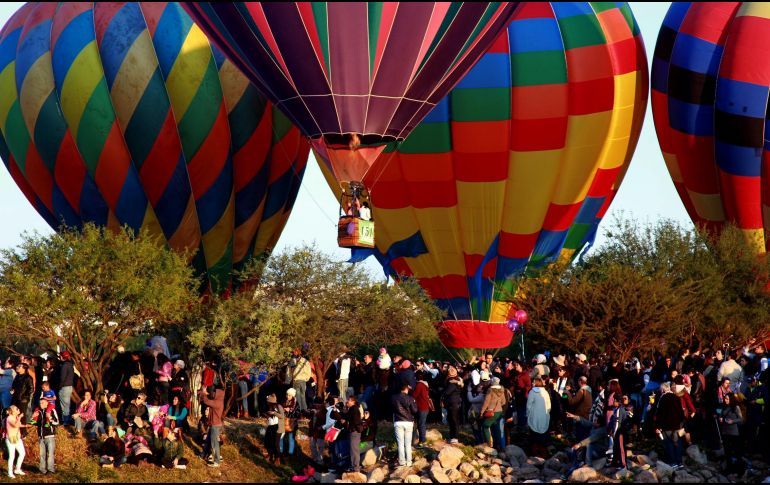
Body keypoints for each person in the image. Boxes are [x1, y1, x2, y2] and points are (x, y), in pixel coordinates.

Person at [655, 382, 686, 468]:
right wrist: (681, 423)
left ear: (662, 390)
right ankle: (679, 462)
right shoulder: (676, 397)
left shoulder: (663, 399)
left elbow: (659, 414)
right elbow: (681, 412)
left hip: (667, 426)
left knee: (669, 443)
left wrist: (658, 426)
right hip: (677, 425)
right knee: (677, 443)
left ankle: (672, 462)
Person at [391, 383, 417, 468]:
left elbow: (391, 409)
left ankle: (402, 462)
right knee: (408, 443)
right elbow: (415, 410)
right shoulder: (410, 398)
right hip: (408, 422)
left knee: (400, 443)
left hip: (398, 421)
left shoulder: (393, 398)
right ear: (406, 389)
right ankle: (409, 462)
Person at [30, 397, 59, 474]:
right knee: (42, 454)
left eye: (42, 403)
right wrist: (32, 417)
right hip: (41, 436)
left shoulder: (52, 410)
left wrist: (50, 417)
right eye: (40, 403)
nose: (41, 404)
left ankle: (50, 470)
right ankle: (42, 470)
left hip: (49, 436)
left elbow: (57, 422)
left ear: (47, 403)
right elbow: (32, 423)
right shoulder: (38, 411)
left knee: (50, 454)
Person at [527, 376, 551, 457]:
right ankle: (543, 455)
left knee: (534, 437)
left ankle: (534, 455)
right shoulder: (546, 392)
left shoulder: (532, 392)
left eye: (533, 382)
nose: (532, 383)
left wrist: (528, 415)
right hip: (544, 416)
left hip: (534, 416)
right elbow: (549, 406)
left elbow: (528, 406)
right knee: (542, 437)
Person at [200, 385, 224, 467]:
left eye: (213, 393)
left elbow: (206, 401)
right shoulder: (218, 399)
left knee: (214, 444)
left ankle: (216, 462)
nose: (212, 394)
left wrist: (204, 393)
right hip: (213, 425)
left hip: (215, 426)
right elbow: (209, 398)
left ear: (216, 394)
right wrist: (206, 393)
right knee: (207, 442)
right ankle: (203, 455)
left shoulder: (218, 402)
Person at [719, 393, 743, 473]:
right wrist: (720, 418)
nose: (726, 400)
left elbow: (740, 419)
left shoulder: (736, 407)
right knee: (727, 451)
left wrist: (732, 421)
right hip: (725, 432)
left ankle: (739, 469)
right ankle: (729, 468)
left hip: (734, 433)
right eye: (725, 399)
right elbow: (721, 415)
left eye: (727, 399)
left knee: (736, 451)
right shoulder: (724, 407)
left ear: (731, 399)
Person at [480, 377, 506, 449]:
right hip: (499, 412)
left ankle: (489, 443)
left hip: (491, 412)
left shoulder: (490, 390)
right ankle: (499, 446)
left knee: (485, 426)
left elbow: (486, 402)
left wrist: (482, 412)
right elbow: (503, 402)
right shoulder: (502, 390)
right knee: (497, 429)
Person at [442, 366, 464, 444]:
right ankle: (452, 436)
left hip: (454, 402)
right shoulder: (450, 379)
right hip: (451, 402)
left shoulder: (453, 380)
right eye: (449, 369)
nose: (450, 370)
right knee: (451, 419)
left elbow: (448, 391)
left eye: (453, 369)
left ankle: (455, 437)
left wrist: (442, 393)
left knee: (454, 420)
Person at [4, 405, 26, 478]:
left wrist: (26, 426)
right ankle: (10, 473)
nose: (18, 409)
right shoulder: (9, 418)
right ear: (13, 411)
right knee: (12, 456)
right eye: (17, 409)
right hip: (10, 439)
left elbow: (19, 425)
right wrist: (20, 417)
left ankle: (17, 469)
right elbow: (15, 425)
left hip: (17, 438)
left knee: (22, 453)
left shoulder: (15, 417)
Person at [413, 371, 431, 446]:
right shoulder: (425, 384)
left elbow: (414, 395)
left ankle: (422, 441)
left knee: (421, 424)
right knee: (422, 423)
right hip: (425, 407)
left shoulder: (419, 385)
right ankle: (422, 439)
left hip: (421, 407)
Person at [265, 394, 283, 465]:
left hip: (277, 427)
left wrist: (274, 413)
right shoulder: (269, 406)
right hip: (270, 426)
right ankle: (270, 455)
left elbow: (282, 416)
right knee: (267, 442)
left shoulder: (279, 406)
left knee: (276, 443)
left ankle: (277, 458)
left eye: (268, 401)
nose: (267, 402)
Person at [58, 351, 74, 425]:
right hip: (69, 387)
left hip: (64, 387)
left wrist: (59, 387)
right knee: (67, 405)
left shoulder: (64, 365)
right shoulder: (70, 365)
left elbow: (62, 378)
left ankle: (65, 421)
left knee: (64, 406)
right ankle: (67, 420)